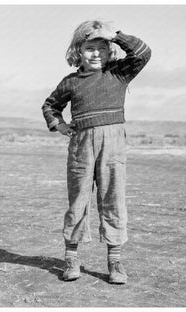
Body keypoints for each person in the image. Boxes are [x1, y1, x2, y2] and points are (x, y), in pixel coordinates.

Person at [42, 20, 151, 284]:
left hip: (113, 144)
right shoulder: (71, 82)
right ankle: (72, 257)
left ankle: (115, 261)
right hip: (81, 144)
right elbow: (50, 105)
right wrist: (59, 124)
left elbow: (143, 53)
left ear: (110, 49)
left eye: (102, 48)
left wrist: (115, 35)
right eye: (90, 48)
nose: (96, 54)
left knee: (113, 199)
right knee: (78, 199)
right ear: (78, 50)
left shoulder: (119, 73)